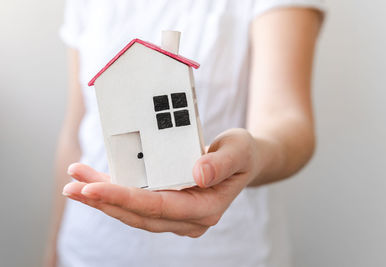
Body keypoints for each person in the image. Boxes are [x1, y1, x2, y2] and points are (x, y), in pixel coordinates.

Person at [44, 1, 325, 266]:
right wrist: (51, 251)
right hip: (87, 252)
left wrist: (252, 156)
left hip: (223, 254)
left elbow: (286, 121)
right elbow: (75, 133)